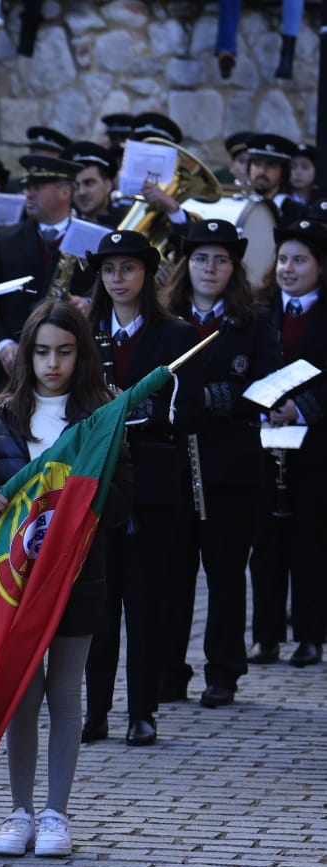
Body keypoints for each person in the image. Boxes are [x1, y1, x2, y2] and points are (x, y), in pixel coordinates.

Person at [0, 300, 131, 858]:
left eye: (65, 352)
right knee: (19, 693)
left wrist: (86, 497)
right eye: (43, 352)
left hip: (77, 576)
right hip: (10, 584)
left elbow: (122, 503)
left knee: (64, 690)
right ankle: (20, 810)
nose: (53, 364)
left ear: (82, 354)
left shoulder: (104, 416)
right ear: (27, 354)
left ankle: (56, 814)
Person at [81, 230, 201, 748]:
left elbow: (187, 408)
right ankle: (97, 710)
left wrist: (137, 411)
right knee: (97, 605)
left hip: (150, 480)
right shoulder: (84, 330)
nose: (118, 280)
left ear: (147, 274)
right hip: (94, 484)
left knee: (146, 601)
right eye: (109, 271)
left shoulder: (174, 334)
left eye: (128, 269)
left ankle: (143, 711)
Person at [159, 220, 280, 708]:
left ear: (235, 269)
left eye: (223, 260)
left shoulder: (253, 324)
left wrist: (211, 398)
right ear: (187, 266)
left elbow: (264, 387)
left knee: (226, 573)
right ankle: (168, 670)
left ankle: (223, 672)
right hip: (173, 464)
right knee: (171, 572)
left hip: (230, 467)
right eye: (203, 259)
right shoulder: (164, 319)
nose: (212, 269)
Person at [248, 218, 327, 670]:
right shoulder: (260, 312)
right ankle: (266, 636)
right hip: (265, 440)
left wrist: (303, 408)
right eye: (283, 260)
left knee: (309, 540)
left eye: (300, 260)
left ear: (320, 266)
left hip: (314, 444)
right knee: (265, 542)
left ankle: (311, 635)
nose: (288, 269)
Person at [0, 156, 82, 372]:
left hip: (72, 366)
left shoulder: (90, 237)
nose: (28, 194)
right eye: (28, 187)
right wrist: (3, 342)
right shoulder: (6, 239)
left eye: (37, 187)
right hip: (12, 367)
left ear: (64, 192)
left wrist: (89, 303)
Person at [64, 142, 124, 228]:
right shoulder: (64, 226)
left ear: (108, 185)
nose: (81, 192)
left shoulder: (126, 222)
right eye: (76, 185)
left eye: (89, 183)